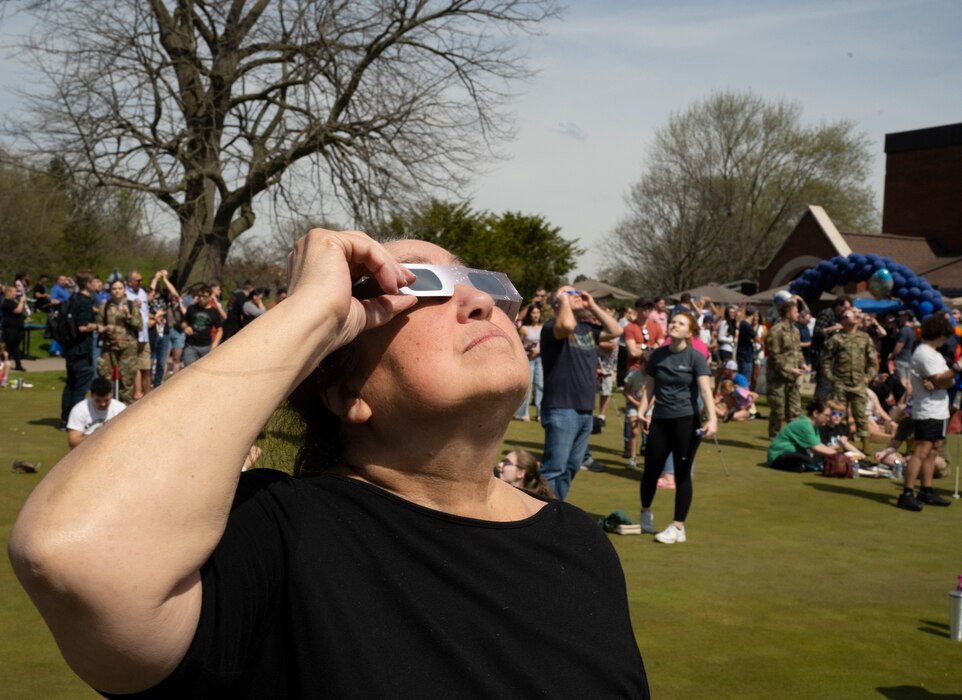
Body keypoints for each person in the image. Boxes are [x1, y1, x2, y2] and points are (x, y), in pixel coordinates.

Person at [9, 232, 649, 698]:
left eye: (479, 283)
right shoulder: (279, 535)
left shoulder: (580, 545)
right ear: (349, 394)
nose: (477, 303)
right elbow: (71, 554)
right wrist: (309, 312)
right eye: (421, 287)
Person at [636, 311, 717, 544]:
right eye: (673, 321)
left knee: (682, 474)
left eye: (680, 323)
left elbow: (705, 391)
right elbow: (649, 388)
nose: (674, 325)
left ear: (689, 332)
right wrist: (642, 412)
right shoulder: (657, 356)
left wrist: (712, 419)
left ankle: (678, 527)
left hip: (686, 421)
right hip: (660, 419)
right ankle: (645, 513)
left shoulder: (695, 357)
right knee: (651, 470)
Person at [538, 285, 622, 499]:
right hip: (561, 407)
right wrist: (564, 300)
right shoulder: (551, 327)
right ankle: (541, 514)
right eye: (569, 293)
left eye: (576, 293)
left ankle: (557, 509)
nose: (576, 295)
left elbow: (616, 330)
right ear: (558, 302)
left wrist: (592, 305)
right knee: (554, 468)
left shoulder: (587, 329)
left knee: (572, 466)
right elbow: (565, 324)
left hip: (585, 408)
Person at [898, 314, 955, 511]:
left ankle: (926, 489)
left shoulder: (936, 354)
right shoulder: (923, 353)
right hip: (927, 409)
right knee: (921, 450)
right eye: (945, 335)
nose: (946, 339)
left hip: (939, 409)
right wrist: (954, 369)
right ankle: (907, 492)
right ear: (938, 334)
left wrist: (943, 379)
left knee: (934, 449)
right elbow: (942, 379)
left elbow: (948, 382)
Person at [821, 308, 877, 452]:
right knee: (841, 416)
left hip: (858, 384)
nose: (855, 318)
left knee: (861, 416)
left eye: (855, 315)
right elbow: (826, 361)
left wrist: (867, 378)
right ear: (843, 321)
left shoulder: (865, 338)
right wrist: (832, 378)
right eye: (850, 316)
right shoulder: (836, 339)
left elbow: (873, 362)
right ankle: (843, 445)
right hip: (841, 384)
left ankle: (866, 448)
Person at [60, 273, 99, 429]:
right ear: (88, 284)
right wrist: (98, 326)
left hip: (71, 347)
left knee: (70, 384)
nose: (97, 283)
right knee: (80, 387)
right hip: (81, 350)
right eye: (95, 281)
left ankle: (65, 419)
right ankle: (74, 423)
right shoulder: (84, 301)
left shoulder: (74, 298)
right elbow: (82, 326)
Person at [765, 300, 809, 438]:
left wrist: (803, 364)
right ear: (788, 313)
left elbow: (798, 351)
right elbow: (775, 355)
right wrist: (790, 369)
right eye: (796, 312)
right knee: (778, 411)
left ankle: (793, 439)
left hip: (792, 379)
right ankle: (774, 438)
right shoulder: (776, 330)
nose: (798, 314)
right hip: (777, 378)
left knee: (795, 411)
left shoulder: (795, 331)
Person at [98, 280, 143, 404]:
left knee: (126, 381)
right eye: (114, 288)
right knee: (105, 378)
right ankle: (106, 410)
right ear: (110, 291)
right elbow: (98, 325)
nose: (117, 291)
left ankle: (126, 411)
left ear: (124, 290)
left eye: (120, 288)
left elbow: (140, 326)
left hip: (128, 347)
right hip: (109, 346)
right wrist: (105, 328)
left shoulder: (131, 305)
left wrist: (128, 316)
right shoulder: (105, 306)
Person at [767, 398, 838, 472]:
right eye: (826, 415)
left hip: (792, 454)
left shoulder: (814, 426)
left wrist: (838, 454)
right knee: (810, 460)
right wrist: (838, 456)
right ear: (815, 413)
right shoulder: (804, 425)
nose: (828, 418)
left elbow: (819, 445)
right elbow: (816, 449)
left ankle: (803, 466)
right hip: (779, 456)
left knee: (817, 458)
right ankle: (812, 466)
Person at [66, 377, 126, 449]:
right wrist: (96, 435)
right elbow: (73, 442)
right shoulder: (79, 410)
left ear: (111, 394)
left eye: (106, 400)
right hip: (87, 451)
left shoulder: (121, 409)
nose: (103, 404)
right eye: (98, 401)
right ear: (91, 395)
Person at [513, 304, 543, 422]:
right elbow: (518, 345)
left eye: (537, 313)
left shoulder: (543, 328)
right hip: (528, 358)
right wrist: (528, 347)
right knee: (527, 386)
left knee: (540, 386)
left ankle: (540, 414)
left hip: (540, 359)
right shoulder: (524, 328)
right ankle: (522, 414)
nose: (535, 315)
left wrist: (539, 350)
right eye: (533, 313)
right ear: (530, 314)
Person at [181, 285, 223, 367]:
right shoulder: (191, 308)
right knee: (189, 371)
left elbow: (220, 330)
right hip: (191, 346)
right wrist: (185, 327)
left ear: (210, 297)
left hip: (206, 347)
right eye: (200, 296)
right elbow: (184, 322)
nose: (201, 299)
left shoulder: (214, 312)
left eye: (205, 296)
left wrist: (214, 345)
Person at [1, 285, 26, 372]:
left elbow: (21, 310)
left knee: (15, 347)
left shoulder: (14, 301)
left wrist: (21, 302)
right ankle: (3, 364)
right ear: (9, 293)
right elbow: (17, 310)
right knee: (7, 347)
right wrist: (21, 301)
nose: (16, 293)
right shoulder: (7, 302)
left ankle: (18, 365)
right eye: (14, 292)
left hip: (17, 328)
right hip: (10, 328)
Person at [735, 306, 758, 383]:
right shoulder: (746, 325)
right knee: (745, 379)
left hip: (743, 354)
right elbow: (756, 338)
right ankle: (743, 393)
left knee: (743, 377)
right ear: (754, 314)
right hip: (745, 356)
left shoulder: (743, 324)